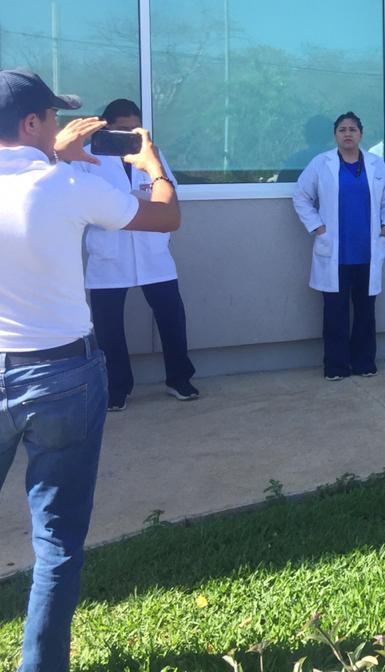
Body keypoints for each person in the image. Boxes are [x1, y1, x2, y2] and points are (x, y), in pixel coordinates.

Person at [0, 68, 179, 672]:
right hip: (61, 377)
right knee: (56, 544)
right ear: (31, 123)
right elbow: (164, 217)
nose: (62, 126)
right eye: (53, 117)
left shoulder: (60, 174)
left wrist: (59, 155)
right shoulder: (66, 184)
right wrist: (151, 163)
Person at [75, 98, 198, 410]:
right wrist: (120, 206)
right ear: (105, 129)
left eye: (135, 129)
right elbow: (77, 200)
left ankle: (179, 379)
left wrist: (139, 197)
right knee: (108, 327)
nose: (130, 135)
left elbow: (168, 189)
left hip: (152, 251)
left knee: (172, 317)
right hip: (109, 253)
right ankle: (117, 388)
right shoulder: (86, 157)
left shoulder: (150, 154)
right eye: (122, 129)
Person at [292, 112, 385, 379]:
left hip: (367, 251)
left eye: (352, 129)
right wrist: (318, 227)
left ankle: (364, 363)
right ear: (335, 135)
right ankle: (336, 366)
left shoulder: (375, 164)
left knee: (365, 312)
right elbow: (301, 196)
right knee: (335, 313)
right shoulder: (322, 163)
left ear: (361, 134)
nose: (347, 133)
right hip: (335, 252)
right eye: (342, 129)